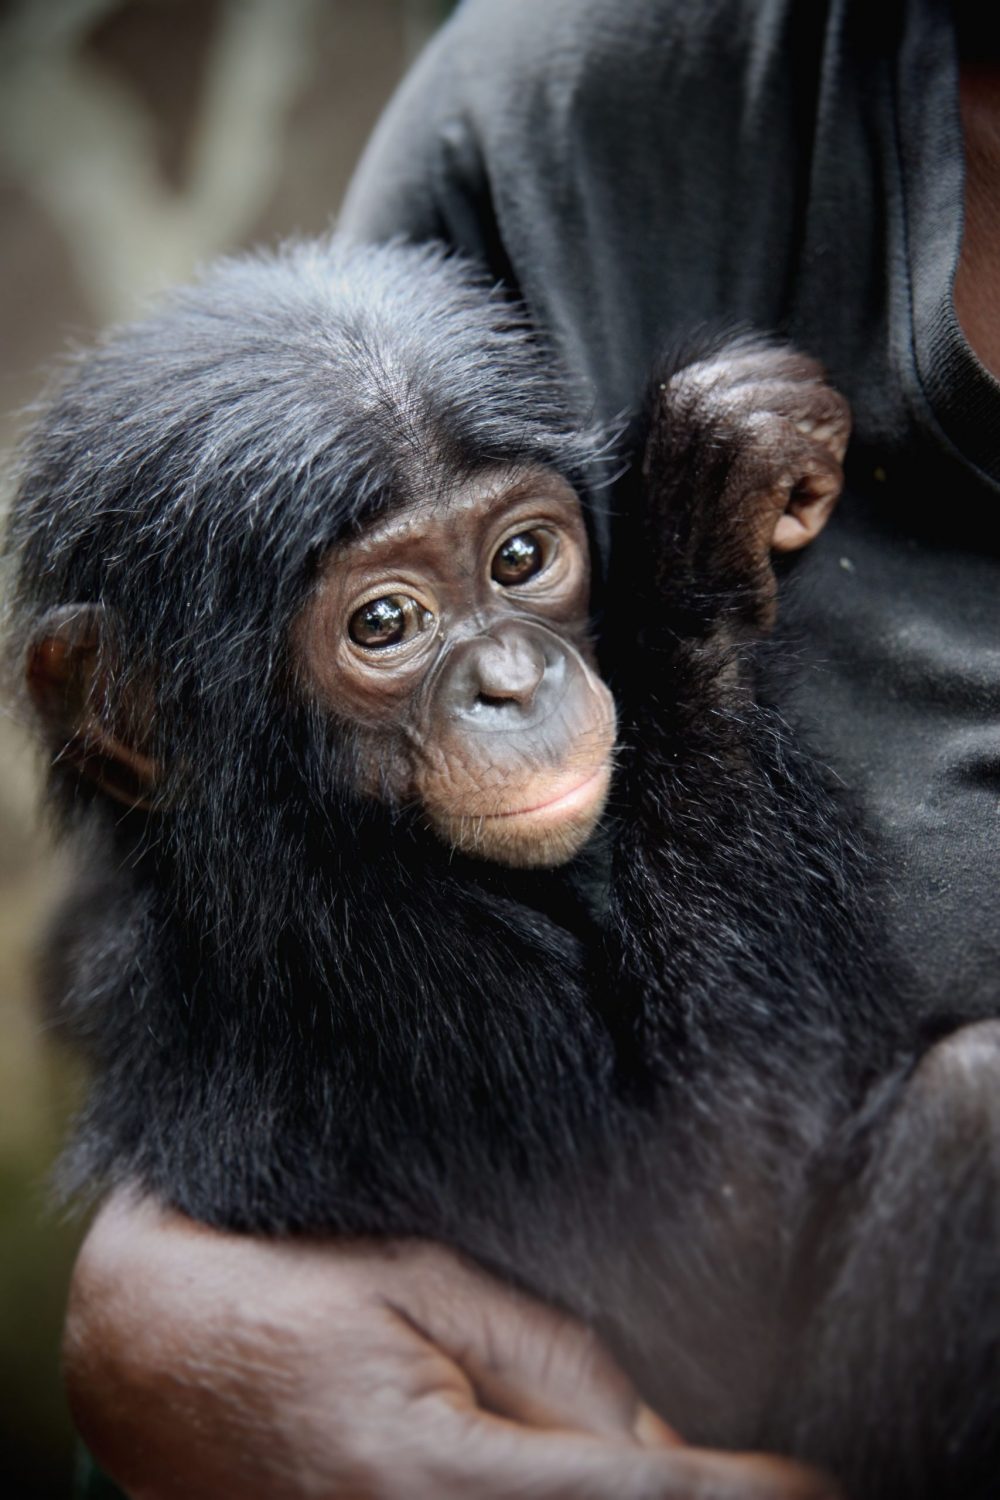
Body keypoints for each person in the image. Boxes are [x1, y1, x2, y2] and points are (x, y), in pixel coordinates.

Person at [64, 0, 1000, 1495]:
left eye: (526, 560)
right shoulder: (325, 938)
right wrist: (688, 646)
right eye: (382, 624)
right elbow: (745, 1240)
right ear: (128, 718)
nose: (511, 678)